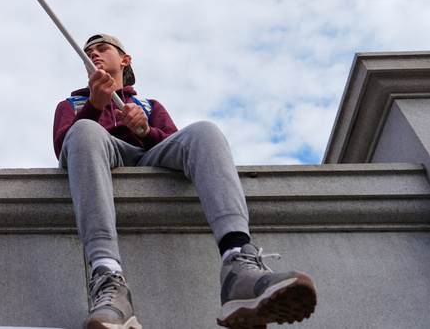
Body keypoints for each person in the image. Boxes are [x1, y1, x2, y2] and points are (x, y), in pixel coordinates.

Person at [54, 34, 317, 329]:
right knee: (84, 131)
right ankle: (108, 279)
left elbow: (173, 144)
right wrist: (93, 107)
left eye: (102, 49)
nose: (94, 55)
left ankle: (238, 266)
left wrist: (143, 129)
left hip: (149, 156)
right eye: (88, 53)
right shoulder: (72, 104)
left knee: (205, 131)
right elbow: (65, 148)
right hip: (101, 153)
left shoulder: (149, 104)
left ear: (125, 60)